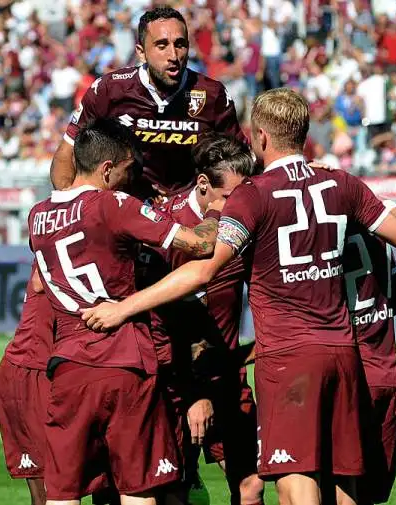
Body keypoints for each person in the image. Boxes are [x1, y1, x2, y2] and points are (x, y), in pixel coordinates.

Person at [80, 89, 396, 505]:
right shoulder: (342, 183)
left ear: (260, 136)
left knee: (296, 483)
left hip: (288, 358)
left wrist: (124, 308)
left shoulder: (253, 194)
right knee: (344, 483)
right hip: (342, 353)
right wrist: (363, 194)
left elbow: (204, 269)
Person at [28, 117, 223, 505]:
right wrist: (216, 211)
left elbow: (38, 283)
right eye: (128, 170)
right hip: (123, 361)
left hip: (68, 366)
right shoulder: (113, 204)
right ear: (106, 169)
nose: (132, 180)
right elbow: (199, 244)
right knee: (138, 490)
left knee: (62, 494)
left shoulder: (38, 215)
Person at [138, 133, 264, 505]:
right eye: (229, 197)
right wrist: (195, 394)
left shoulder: (248, 220)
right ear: (204, 184)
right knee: (172, 492)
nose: (237, 206)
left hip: (226, 379)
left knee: (252, 487)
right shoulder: (168, 227)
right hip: (175, 381)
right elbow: (157, 322)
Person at [50, 6, 244, 198]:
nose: (173, 56)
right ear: (141, 52)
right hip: (128, 206)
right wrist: (68, 203)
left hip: (191, 207)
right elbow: (66, 154)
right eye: (161, 45)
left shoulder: (212, 94)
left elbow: (240, 161)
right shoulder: (108, 91)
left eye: (180, 44)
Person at [343, 215, 396, 505]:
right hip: (386, 373)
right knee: (368, 493)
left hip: (348, 376)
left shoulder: (324, 238)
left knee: (336, 487)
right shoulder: (383, 238)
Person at [0, 265, 55, 505]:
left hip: (77, 370)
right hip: (32, 372)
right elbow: (41, 280)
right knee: (49, 491)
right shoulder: (56, 255)